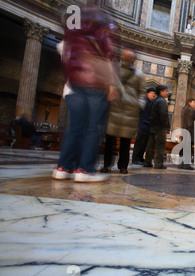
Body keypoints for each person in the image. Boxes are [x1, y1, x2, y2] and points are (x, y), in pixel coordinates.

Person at [53, 4, 119, 182]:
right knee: (93, 127)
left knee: (74, 126)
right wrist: (112, 83)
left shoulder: (72, 28)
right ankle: (84, 170)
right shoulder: (100, 25)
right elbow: (108, 54)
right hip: (96, 82)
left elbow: (65, 52)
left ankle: (63, 167)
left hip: (74, 82)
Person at [101, 49, 146, 174]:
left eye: (130, 58)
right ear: (122, 57)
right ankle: (106, 164)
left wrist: (140, 105)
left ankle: (123, 166)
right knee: (109, 141)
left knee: (125, 142)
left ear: (134, 59)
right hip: (114, 108)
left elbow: (142, 92)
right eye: (125, 57)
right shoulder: (115, 71)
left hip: (130, 112)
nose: (127, 59)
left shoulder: (139, 75)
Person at [144, 85, 169, 169]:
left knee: (150, 146)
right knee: (160, 146)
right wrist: (165, 127)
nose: (167, 93)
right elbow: (163, 114)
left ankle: (147, 162)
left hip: (152, 126)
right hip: (159, 127)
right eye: (166, 91)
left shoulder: (154, 100)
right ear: (161, 92)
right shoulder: (162, 101)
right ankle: (158, 164)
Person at [132, 87, 156, 165]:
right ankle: (135, 159)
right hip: (142, 126)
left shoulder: (150, 103)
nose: (153, 95)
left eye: (154, 94)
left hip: (147, 126)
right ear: (147, 93)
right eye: (152, 93)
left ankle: (140, 157)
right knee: (139, 144)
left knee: (144, 144)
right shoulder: (145, 102)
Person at [178, 98, 195, 170]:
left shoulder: (184, 109)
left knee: (184, 148)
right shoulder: (191, 110)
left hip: (184, 130)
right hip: (189, 131)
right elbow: (190, 122)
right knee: (188, 148)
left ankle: (181, 163)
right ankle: (186, 164)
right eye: (194, 102)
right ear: (189, 102)